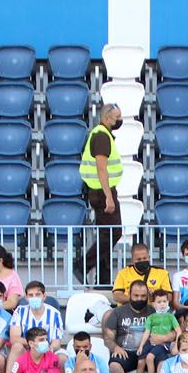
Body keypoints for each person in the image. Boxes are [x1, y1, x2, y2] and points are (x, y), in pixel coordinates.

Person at [82, 102, 124, 286]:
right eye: (118, 117)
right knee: (113, 233)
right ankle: (83, 265)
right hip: (102, 191)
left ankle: (103, 280)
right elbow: (101, 168)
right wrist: (108, 196)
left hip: (102, 190)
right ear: (107, 118)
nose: (120, 120)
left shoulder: (104, 134)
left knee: (105, 235)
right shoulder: (101, 136)